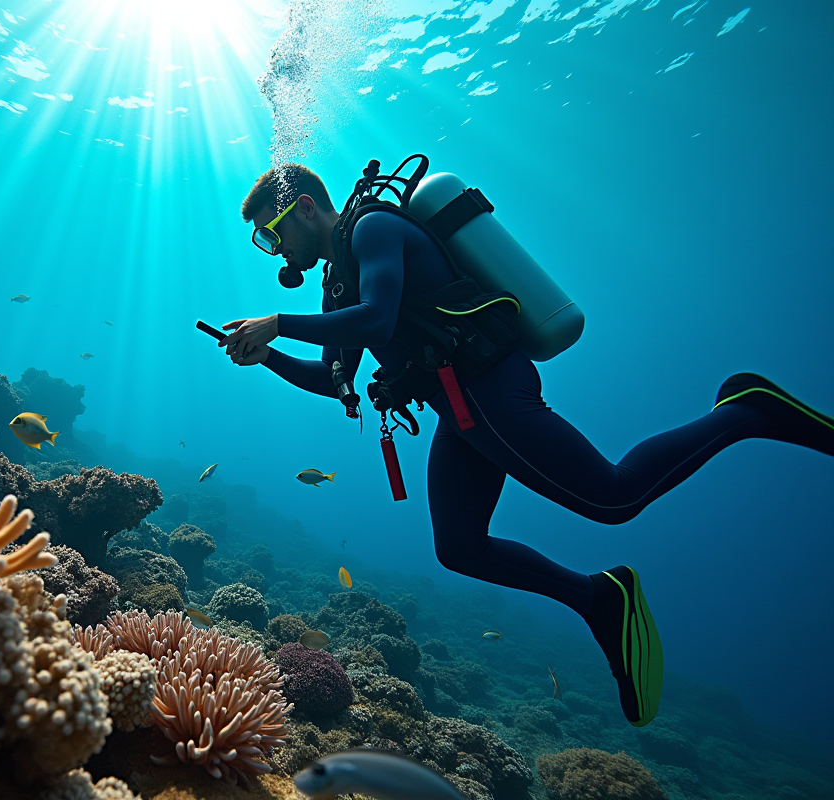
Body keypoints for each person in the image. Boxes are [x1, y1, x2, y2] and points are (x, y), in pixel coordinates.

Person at [219, 162, 834, 728]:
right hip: (457, 411)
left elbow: (379, 320)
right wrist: (267, 353)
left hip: (489, 388)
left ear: (302, 208)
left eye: (271, 236)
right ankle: (600, 597)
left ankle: (744, 410)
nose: (275, 252)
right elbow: (336, 380)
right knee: (458, 547)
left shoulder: (373, 230)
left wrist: (278, 321)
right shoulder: (337, 284)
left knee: (614, 498)